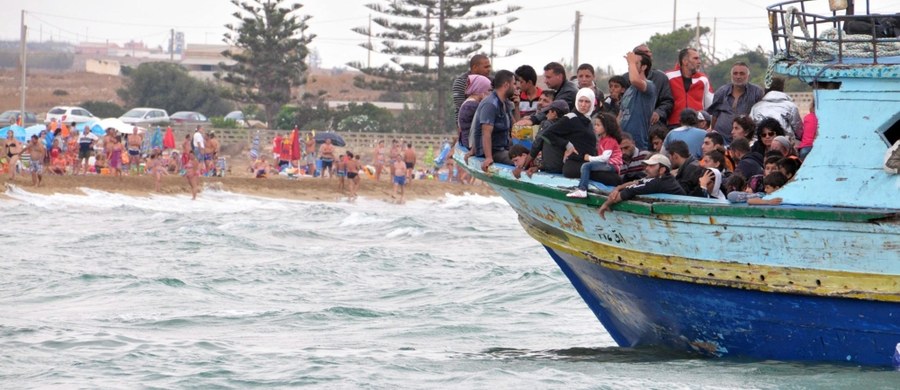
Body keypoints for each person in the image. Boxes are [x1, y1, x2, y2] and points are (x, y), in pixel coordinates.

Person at [597, 154, 686, 219]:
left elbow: (630, 191)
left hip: (681, 212)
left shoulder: (658, 183)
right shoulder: (660, 178)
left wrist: (605, 204)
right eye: (647, 165)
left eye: (651, 166)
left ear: (662, 170)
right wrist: (618, 188)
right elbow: (636, 183)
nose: (647, 168)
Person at [567, 113, 624, 198]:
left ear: (606, 126)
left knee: (586, 166)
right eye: (595, 125)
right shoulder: (602, 139)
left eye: (598, 125)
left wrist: (590, 158)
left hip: (612, 165)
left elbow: (605, 158)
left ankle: (582, 189)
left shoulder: (609, 140)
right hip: (608, 164)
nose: (595, 127)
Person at [708, 62, 765, 143]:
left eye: (742, 73)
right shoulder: (721, 91)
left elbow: (760, 116)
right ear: (731, 75)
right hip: (721, 139)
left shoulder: (757, 92)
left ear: (748, 76)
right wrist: (713, 132)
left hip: (744, 142)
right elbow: (714, 116)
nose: (738, 76)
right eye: (735, 73)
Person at [473, 70, 516, 171]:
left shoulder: (504, 103)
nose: (515, 87)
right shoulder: (490, 104)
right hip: (495, 151)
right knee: (521, 162)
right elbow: (485, 133)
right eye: (514, 84)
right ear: (506, 85)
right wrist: (488, 157)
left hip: (504, 146)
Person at [515, 62, 579, 126]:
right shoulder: (562, 89)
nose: (545, 81)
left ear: (559, 76)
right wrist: (532, 116)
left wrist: (533, 119)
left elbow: (553, 110)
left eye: (548, 77)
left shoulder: (568, 92)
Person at [665, 48, 714, 129]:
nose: (699, 61)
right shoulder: (669, 76)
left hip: (697, 125)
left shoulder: (703, 79)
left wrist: (709, 126)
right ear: (685, 61)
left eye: (699, 58)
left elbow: (710, 105)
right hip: (673, 124)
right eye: (695, 58)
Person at [619, 50, 658, 151]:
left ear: (644, 67)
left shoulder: (649, 85)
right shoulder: (629, 90)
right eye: (630, 64)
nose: (630, 66)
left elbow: (635, 80)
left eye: (635, 63)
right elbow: (621, 115)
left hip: (638, 142)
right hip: (622, 142)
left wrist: (631, 62)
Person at [452, 54, 492, 120]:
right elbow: (461, 106)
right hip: (467, 124)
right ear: (475, 67)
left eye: (489, 67)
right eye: (486, 67)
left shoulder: (492, 82)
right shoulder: (462, 82)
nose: (489, 69)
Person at [458, 74, 492, 149]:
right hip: (470, 144)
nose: (490, 94)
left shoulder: (470, 102)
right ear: (480, 89)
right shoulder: (472, 105)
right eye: (488, 90)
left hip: (466, 142)